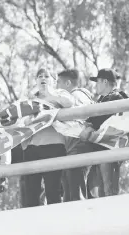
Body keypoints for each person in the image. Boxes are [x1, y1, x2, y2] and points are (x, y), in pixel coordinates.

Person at [21, 67, 75, 207]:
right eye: (40, 76)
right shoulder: (30, 99)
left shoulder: (59, 93)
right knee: (31, 193)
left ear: (54, 80)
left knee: (53, 191)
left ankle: (55, 225)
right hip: (32, 148)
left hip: (54, 147)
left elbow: (70, 103)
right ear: (36, 80)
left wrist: (50, 95)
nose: (43, 78)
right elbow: (22, 121)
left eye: (47, 76)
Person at [79, 68, 127, 197]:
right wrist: (89, 124)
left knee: (108, 190)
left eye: (98, 82)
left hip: (108, 151)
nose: (96, 85)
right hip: (99, 150)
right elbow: (93, 119)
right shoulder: (102, 100)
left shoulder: (117, 96)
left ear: (105, 81)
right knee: (99, 192)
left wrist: (90, 127)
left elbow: (105, 119)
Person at [57, 69, 95, 201]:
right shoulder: (75, 96)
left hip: (78, 147)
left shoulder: (77, 95)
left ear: (67, 83)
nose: (57, 87)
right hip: (73, 148)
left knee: (76, 193)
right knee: (70, 194)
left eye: (58, 83)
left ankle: (80, 220)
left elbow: (89, 115)